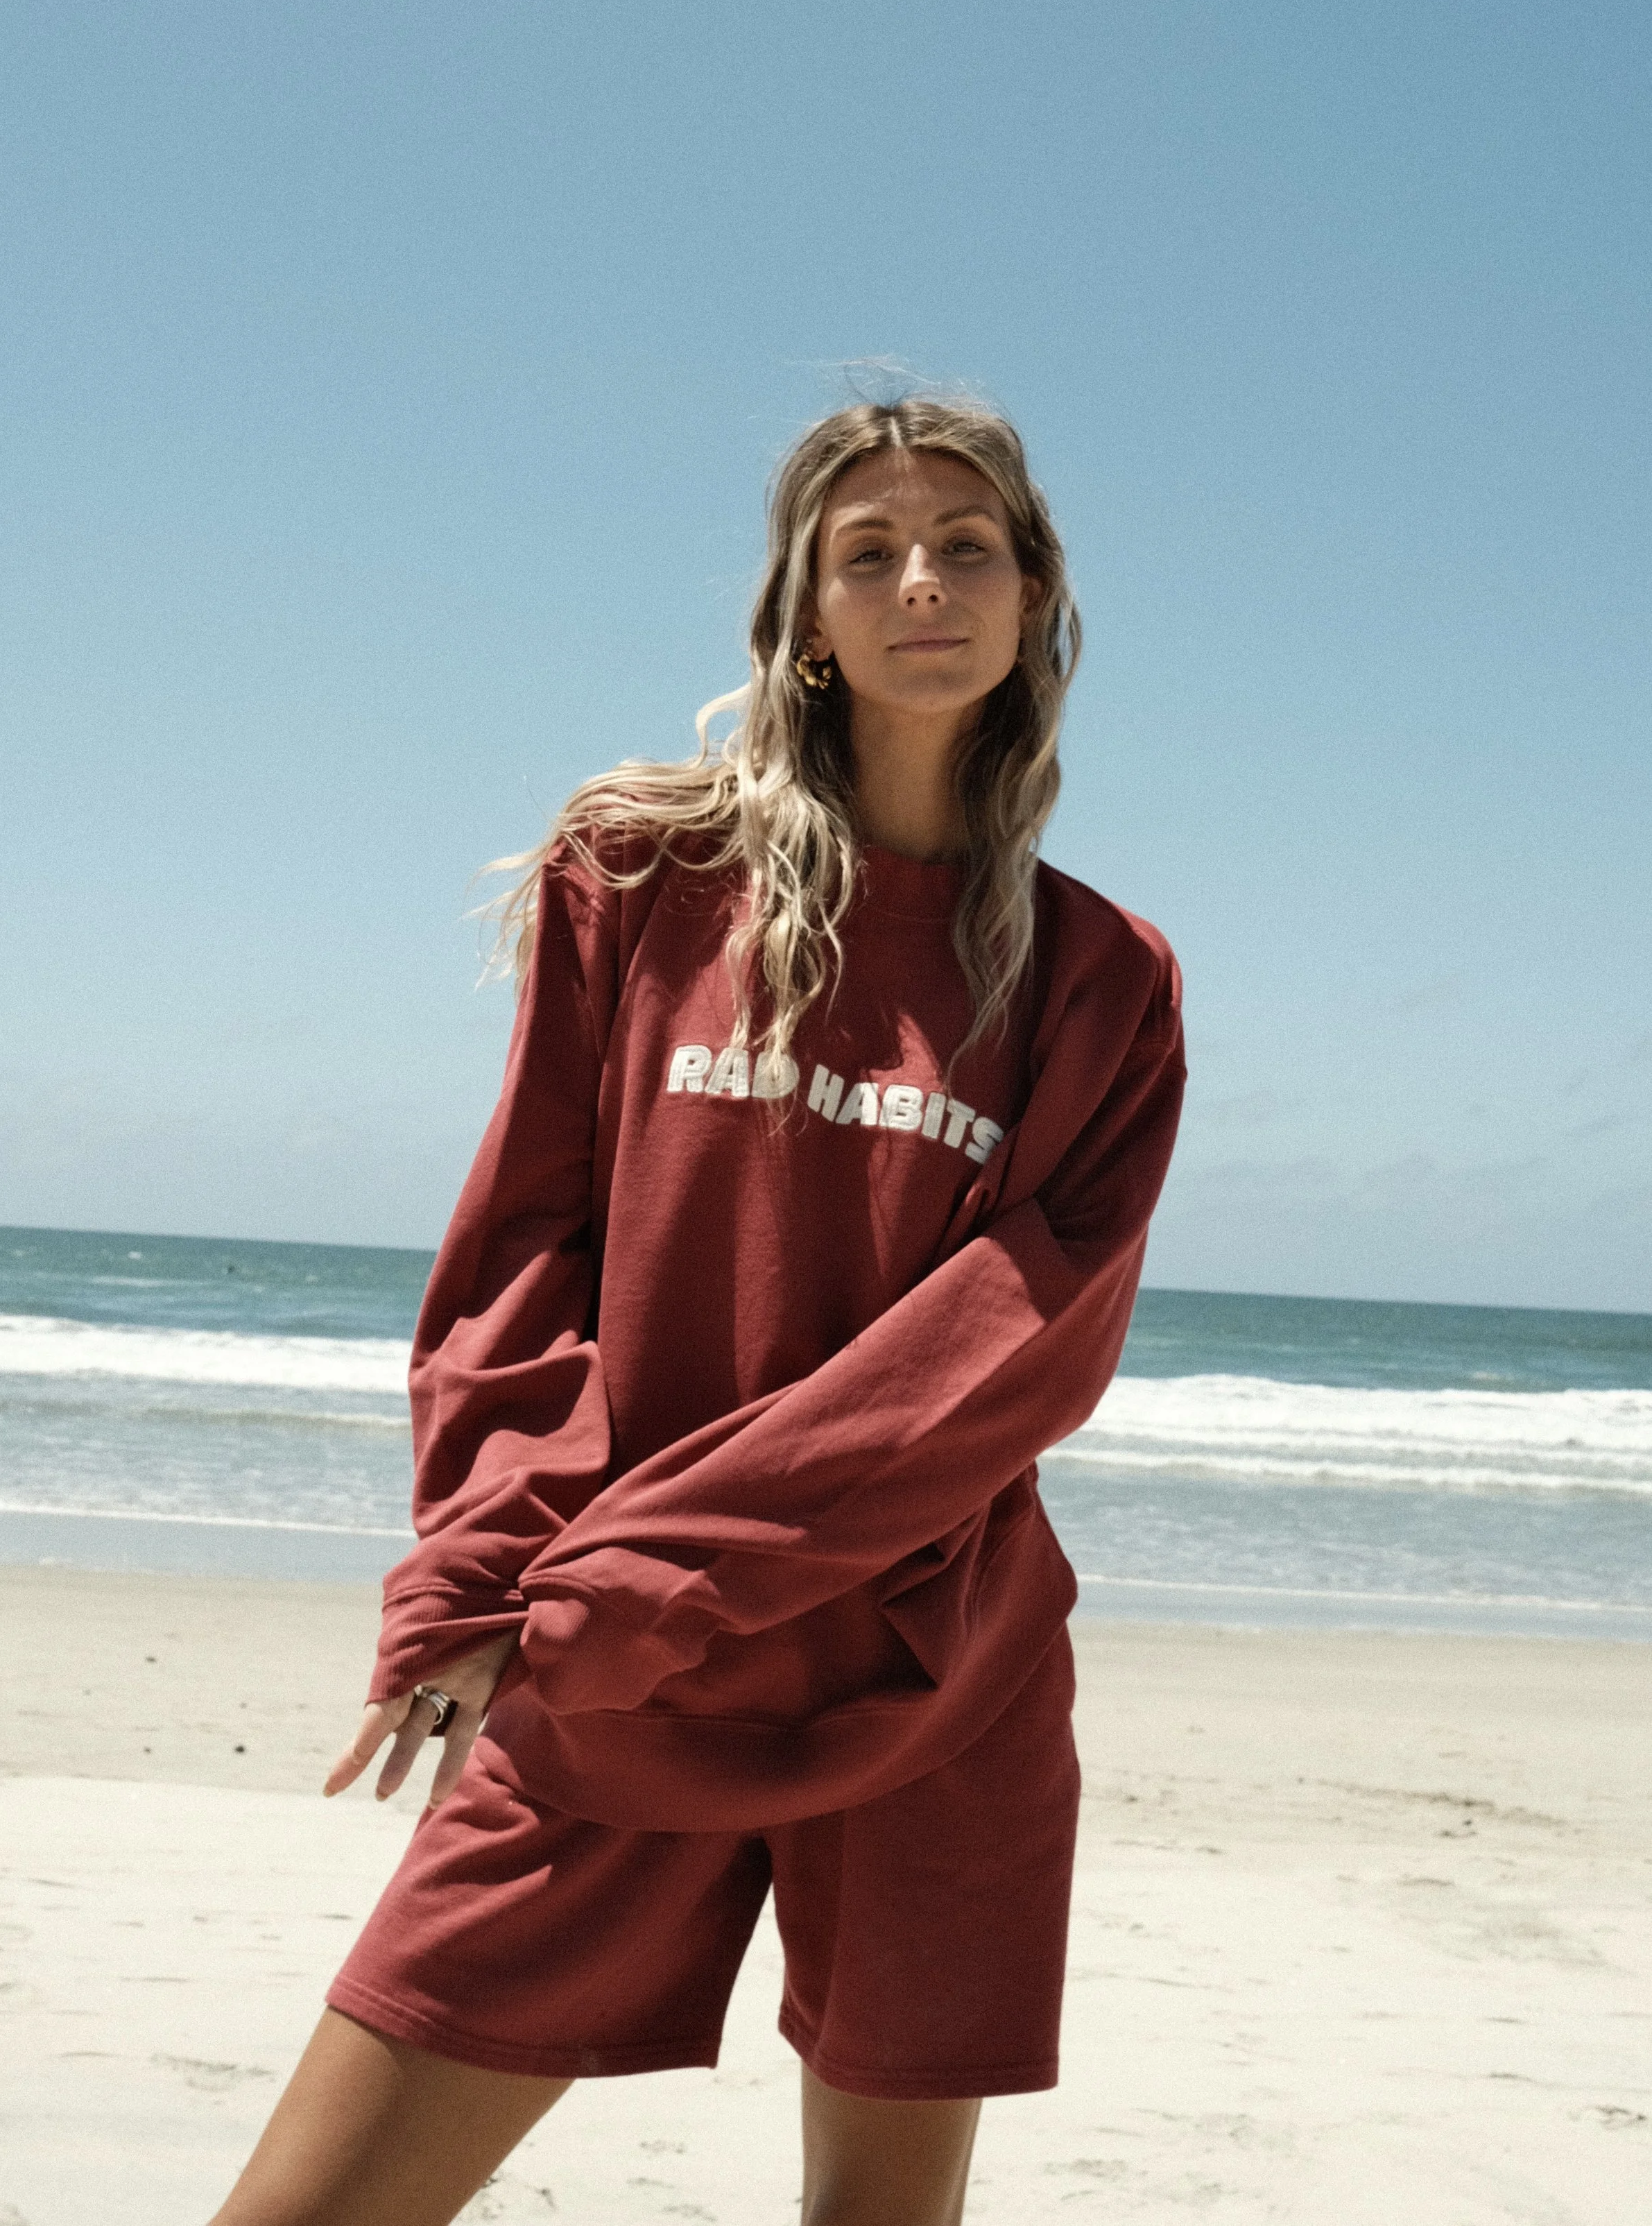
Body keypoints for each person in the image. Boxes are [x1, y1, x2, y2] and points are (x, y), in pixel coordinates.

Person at [212, 397, 1185, 2226]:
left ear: (1035, 598)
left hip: (930, 1678)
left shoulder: (1099, 978)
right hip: (614, 1661)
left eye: (967, 544)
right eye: (869, 548)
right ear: (805, 611)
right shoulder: (642, 878)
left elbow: (1008, 1352)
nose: (920, 580)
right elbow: (524, 1247)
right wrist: (483, 1568)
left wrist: (634, 1575)